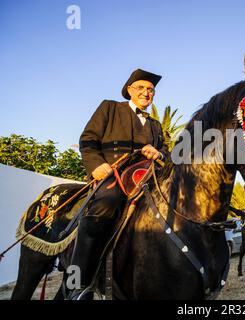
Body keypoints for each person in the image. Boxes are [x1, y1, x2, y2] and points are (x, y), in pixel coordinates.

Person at [68, 69, 170, 299]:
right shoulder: (110, 107)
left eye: (151, 90)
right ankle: (77, 284)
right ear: (129, 90)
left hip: (146, 180)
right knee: (107, 203)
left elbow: (166, 151)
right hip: (112, 177)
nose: (147, 92)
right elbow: (88, 139)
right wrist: (96, 166)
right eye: (141, 88)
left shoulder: (155, 125)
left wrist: (159, 153)